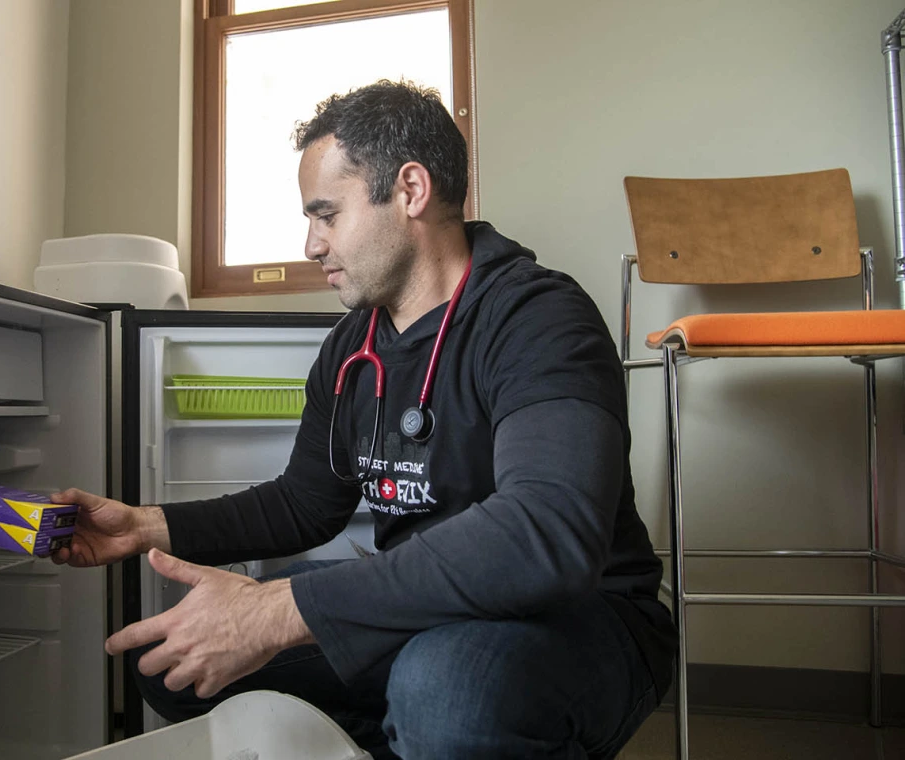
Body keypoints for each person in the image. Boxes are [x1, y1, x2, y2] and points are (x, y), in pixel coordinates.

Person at [51, 79, 677, 760]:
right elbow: (303, 504)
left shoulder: (537, 319)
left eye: (326, 214)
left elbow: (546, 533)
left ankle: (435, 727)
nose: (311, 244)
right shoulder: (354, 347)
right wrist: (147, 525)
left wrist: (280, 611)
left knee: (445, 690)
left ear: (410, 190)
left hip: (581, 616)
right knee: (175, 661)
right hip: (426, 614)